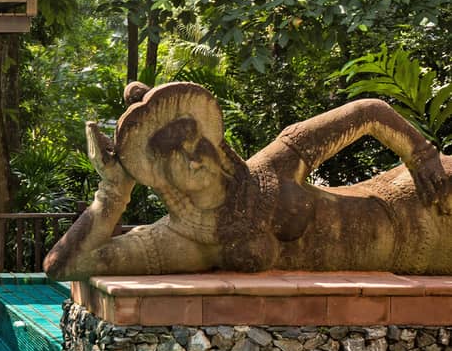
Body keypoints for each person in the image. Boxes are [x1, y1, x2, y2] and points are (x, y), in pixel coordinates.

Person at [44, 81, 452, 280]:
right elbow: (65, 266)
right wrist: (113, 190)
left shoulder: (271, 168)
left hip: (418, 200)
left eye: (195, 142)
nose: (194, 157)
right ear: (162, 176)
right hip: (419, 260)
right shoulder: (184, 240)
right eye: (176, 158)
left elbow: (368, 112)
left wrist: (422, 155)